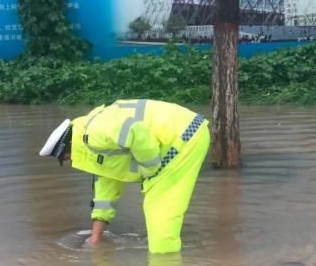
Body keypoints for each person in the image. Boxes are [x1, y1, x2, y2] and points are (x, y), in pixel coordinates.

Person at [39, 99, 209, 254]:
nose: (70, 161)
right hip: (179, 138)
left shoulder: (94, 134)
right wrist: (95, 237)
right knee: (158, 217)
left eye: (66, 158)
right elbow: (106, 189)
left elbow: (135, 131)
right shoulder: (90, 143)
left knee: (160, 226)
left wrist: (150, 170)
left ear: (67, 147)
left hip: (183, 138)